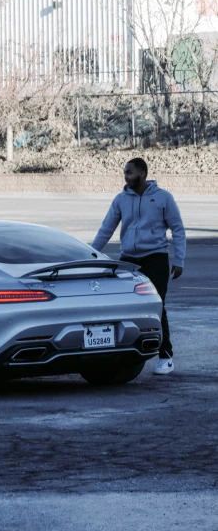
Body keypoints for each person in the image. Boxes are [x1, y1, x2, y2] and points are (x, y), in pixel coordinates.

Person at [91, 157, 186, 375]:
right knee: (124, 307)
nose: (125, 176)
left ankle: (165, 356)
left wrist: (179, 260)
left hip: (156, 258)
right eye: (125, 172)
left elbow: (178, 229)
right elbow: (106, 229)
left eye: (129, 172)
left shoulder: (163, 198)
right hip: (129, 261)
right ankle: (124, 354)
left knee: (156, 307)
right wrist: (90, 253)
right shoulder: (120, 199)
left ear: (142, 174)